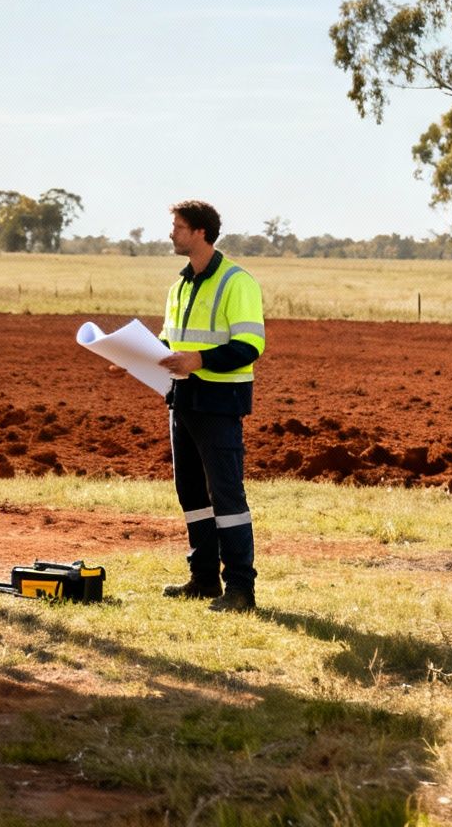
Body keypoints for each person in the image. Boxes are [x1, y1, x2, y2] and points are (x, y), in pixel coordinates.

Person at [155, 200, 266, 611]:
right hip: (182, 400)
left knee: (226, 496)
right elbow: (171, 343)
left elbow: (250, 345)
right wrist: (135, 357)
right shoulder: (179, 285)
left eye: (178, 227)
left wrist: (199, 360)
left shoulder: (238, 282)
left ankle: (240, 588)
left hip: (220, 403)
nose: (172, 234)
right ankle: (203, 579)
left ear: (201, 232)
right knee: (192, 493)